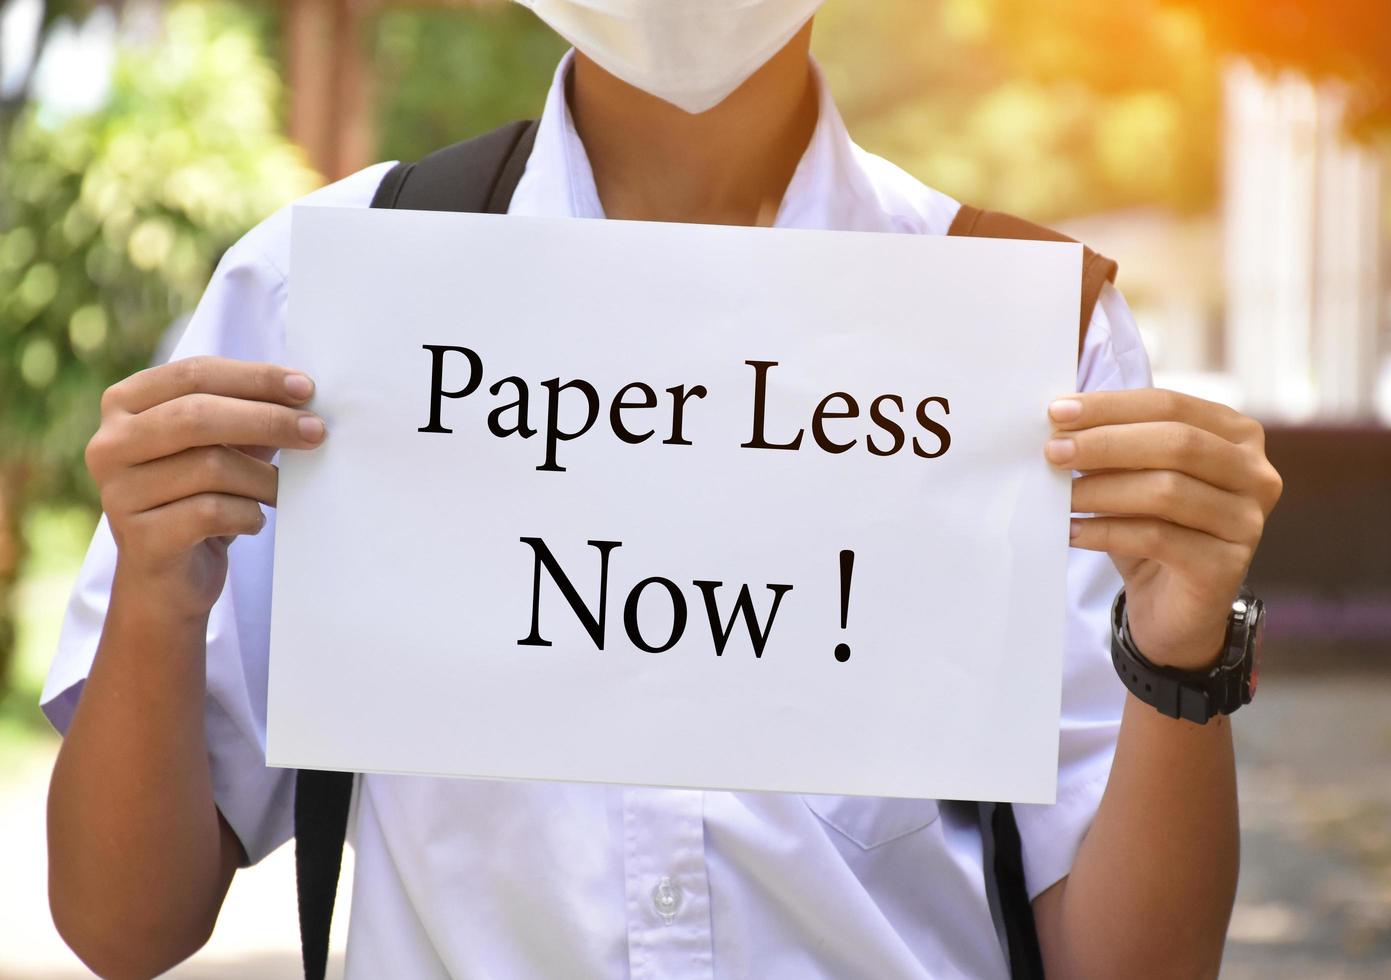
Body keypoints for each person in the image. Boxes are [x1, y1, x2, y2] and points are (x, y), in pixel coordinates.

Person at [43, 2, 1282, 977]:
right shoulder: (319, 294)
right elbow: (124, 926)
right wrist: (158, 587)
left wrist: (1181, 658)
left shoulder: (1030, 337)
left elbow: (1135, 964)